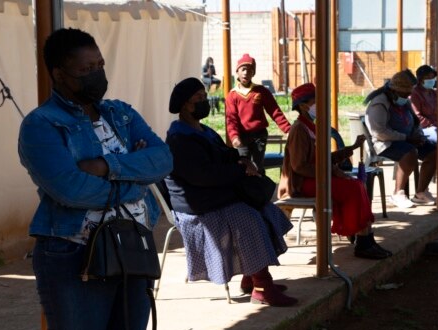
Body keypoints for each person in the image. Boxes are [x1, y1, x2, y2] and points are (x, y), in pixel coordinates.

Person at [17, 28, 173, 330]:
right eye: (85, 70)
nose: (97, 74)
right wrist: (135, 177)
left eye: (99, 64)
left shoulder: (121, 114)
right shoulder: (41, 125)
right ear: (60, 74)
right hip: (74, 254)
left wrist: (106, 166)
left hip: (132, 248)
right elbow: (70, 189)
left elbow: (163, 159)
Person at [165, 77, 298, 307]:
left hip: (211, 193)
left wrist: (242, 160)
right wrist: (238, 172)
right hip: (197, 202)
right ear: (186, 104)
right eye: (199, 98)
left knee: (263, 208)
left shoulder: (203, 131)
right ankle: (262, 288)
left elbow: (224, 154)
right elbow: (203, 176)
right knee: (247, 218)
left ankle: (251, 278)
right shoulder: (179, 139)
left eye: (205, 97)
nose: (205, 102)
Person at [279, 83, 391, 260]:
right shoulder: (299, 129)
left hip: (315, 177)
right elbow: (299, 166)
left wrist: (351, 148)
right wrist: (331, 172)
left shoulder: (312, 127)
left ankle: (366, 237)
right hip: (303, 183)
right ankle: (363, 241)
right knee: (352, 188)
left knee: (356, 185)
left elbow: (323, 158)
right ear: (303, 105)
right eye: (316, 101)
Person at [365, 70, 437, 208]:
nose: (408, 96)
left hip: (407, 139)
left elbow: (415, 122)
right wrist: (406, 138)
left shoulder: (404, 101)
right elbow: (379, 132)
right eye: (405, 94)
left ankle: (421, 193)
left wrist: (418, 135)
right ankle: (398, 193)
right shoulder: (379, 103)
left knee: (434, 152)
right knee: (410, 153)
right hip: (384, 142)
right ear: (395, 91)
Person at [225, 53, 291, 173]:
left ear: (253, 73)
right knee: (243, 166)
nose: (246, 73)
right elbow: (231, 119)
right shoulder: (232, 95)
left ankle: (260, 188)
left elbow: (275, 111)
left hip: (258, 136)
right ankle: (244, 190)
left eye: (249, 70)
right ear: (238, 71)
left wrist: (287, 129)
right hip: (242, 136)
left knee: (257, 166)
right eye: (243, 69)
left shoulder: (260, 91)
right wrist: (234, 137)